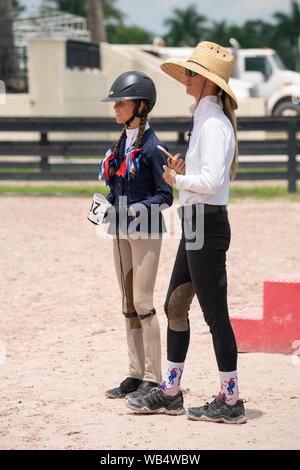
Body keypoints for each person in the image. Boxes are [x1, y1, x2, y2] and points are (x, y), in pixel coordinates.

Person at [126, 42, 247, 424]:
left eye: (191, 75)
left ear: (207, 82)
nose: (186, 80)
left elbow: (211, 181)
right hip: (196, 222)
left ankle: (231, 400)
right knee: (175, 306)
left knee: (215, 316)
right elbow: (205, 178)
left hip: (205, 223)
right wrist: (182, 172)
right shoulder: (206, 121)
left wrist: (178, 178)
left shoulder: (213, 124)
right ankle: (172, 392)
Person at [100, 71, 173, 400]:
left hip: (144, 231)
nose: (116, 107)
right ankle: (134, 371)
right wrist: (106, 207)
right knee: (128, 303)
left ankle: (152, 376)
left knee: (143, 302)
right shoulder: (119, 145)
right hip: (118, 231)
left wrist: (134, 209)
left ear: (141, 106)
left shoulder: (154, 148)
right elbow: (117, 187)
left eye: (122, 102)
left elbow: (166, 196)